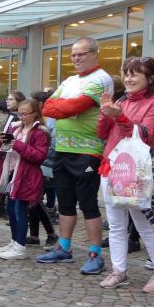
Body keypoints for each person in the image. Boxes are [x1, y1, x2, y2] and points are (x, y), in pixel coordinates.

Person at [37, 37, 114, 274]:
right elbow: (47, 107)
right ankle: (64, 248)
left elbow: (71, 108)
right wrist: (61, 107)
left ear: (95, 54)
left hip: (87, 151)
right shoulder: (70, 80)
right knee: (65, 202)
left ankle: (95, 255)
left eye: (82, 54)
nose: (76, 58)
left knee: (88, 204)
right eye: (73, 54)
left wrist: (62, 106)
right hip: (63, 149)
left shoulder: (101, 79)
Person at [96, 57, 154, 292]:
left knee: (145, 224)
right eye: (126, 73)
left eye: (135, 74)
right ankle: (119, 271)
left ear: (150, 78)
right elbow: (101, 133)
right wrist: (105, 113)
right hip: (111, 167)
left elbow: (146, 135)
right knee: (116, 225)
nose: (128, 78)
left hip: (139, 171)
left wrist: (118, 116)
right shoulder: (120, 101)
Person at [0, 99, 51, 260]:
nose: (21, 117)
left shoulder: (40, 132)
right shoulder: (16, 128)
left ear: (35, 114)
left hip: (27, 175)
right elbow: (8, 150)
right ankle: (15, 242)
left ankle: (20, 248)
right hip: (13, 173)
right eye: (19, 113)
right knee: (11, 210)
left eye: (25, 114)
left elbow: (39, 156)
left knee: (20, 211)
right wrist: (1, 144)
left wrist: (16, 144)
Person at [0, 91, 25, 217]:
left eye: (11, 99)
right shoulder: (11, 115)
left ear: (19, 101)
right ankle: (1, 207)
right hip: (6, 153)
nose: (7, 101)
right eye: (7, 99)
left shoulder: (20, 117)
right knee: (3, 179)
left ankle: (9, 210)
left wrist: (3, 145)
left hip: (16, 155)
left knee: (10, 181)